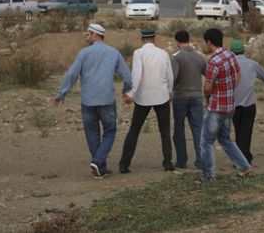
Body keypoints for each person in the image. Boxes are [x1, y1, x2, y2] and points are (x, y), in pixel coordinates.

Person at [54, 23, 132, 179]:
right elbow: (128, 77)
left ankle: (99, 165)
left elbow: (72, 74)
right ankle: (98, 163)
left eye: (88, 34)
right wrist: (125, 91)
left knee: (92, 132)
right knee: (110, 132)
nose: (86, 37)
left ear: (95, 35)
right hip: (107, 101)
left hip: (88, 102)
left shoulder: (84, 53)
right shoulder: (114, 53)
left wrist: (61, 93)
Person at [119, 29, 175, 173]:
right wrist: (168, 92)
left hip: (143, 97)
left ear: (142, 39)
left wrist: (131, 93)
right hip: (162, 97)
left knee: (134, 130)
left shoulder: (139, 53)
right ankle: (167, 162)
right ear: (154, 39)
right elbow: (170, 77)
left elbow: (137, 75)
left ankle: (124, 164)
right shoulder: (163, 53)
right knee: (165, 132)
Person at [200, 28, 252, 181]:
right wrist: (229, 89)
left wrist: (208, 96)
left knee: (206, 142)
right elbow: (238, 74)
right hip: (229, 106)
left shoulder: (214, 61)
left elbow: (208, 87)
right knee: (225, 139)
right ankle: (244, 167)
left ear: (209, 42)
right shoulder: (230, 54)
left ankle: (209, 176)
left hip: (216, 107)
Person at [231, 39, 264, 164]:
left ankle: (243, 156)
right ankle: (244, 159)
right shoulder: (251, 63)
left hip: (233, 104)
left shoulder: (229, 64)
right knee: (246, 131)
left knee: (238, 131)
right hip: (249, 104)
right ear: (243, 51)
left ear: (231, 52)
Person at [170, 30, 206, 170]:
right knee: (198, 129)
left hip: (180, 96)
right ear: (189, 39)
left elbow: (172, 77)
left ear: (177, 41)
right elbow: (208, 73)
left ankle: (181, 160)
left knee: (179, 128)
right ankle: (201, 160)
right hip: (197, 95)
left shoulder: (176, 57)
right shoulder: (199, 56)